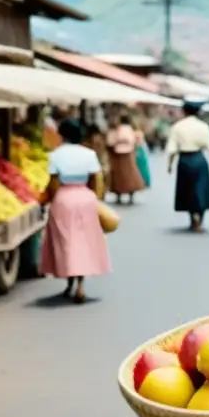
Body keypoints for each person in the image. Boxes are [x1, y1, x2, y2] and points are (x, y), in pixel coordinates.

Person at [39, 119, 111, 304]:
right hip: (85, 198)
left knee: (66, 243)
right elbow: (96, 178)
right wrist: (94, 198)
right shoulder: (89, 154)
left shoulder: (55, 155)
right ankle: (80, 284)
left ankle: (70, 282)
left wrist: (52, 200)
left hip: (64, 198)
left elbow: (53, 182)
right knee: (83, 242)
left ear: (62, 135)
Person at [166, 99, 209, 232]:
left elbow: (172, 149)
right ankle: (199, 217)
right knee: (201, 188)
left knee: (186, 189)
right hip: (199, 159)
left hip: (184, 160)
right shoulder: (203, 126)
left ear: (184, 111)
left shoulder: (177, 127)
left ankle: (192, 217)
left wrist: (170, 165)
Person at [106, 114, 146, 205]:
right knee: (131, 173)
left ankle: (118, 195)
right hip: (129, 153)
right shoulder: (131, 130)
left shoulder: (118, 129)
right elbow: (137, 141)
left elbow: (111, 141)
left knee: (118, 174)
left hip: (117, 154)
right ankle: (131, 194)